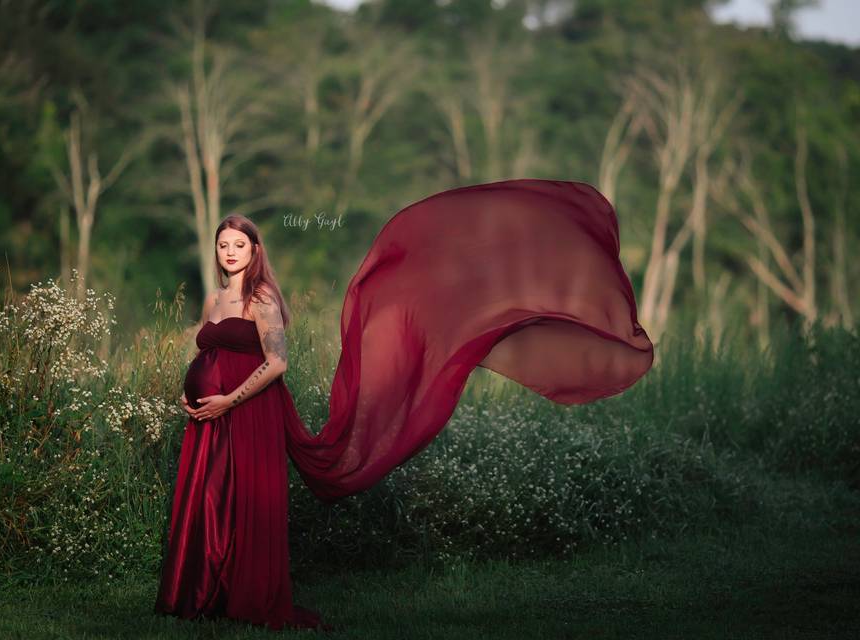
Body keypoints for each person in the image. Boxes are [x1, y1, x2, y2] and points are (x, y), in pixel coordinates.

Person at [153, 178, 655, 632]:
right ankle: (201, 593)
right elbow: (206, 349)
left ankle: (242, 595)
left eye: (239, 244)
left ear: (255, 250)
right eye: (223, 245)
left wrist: (227, 400)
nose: (230, 252)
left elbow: (277, 363)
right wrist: (192, 389)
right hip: (208, 415)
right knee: (208, 498)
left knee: (244, 501)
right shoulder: (215, 299)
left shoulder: (262, 300)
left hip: (248, 413)